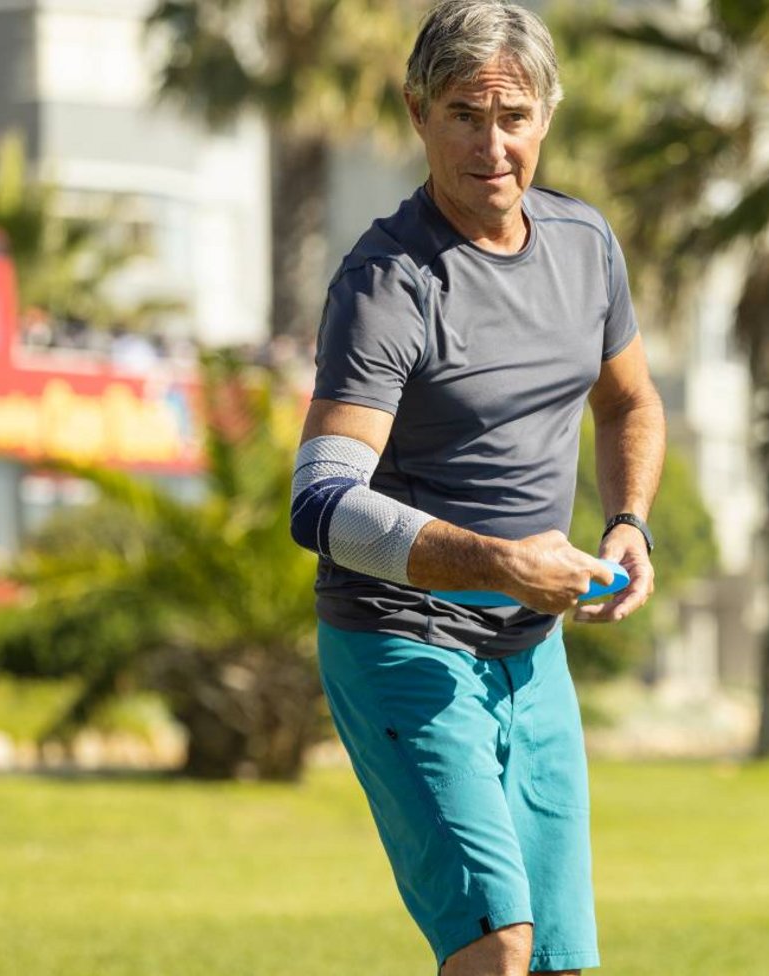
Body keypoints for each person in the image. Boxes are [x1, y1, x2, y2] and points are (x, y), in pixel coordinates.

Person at [288, 2, 665, 973]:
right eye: (463, 113)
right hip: (399, 644)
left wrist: (630, 523)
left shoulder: (586, 246)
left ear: (547, 114)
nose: (490, 145)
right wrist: (501, 561)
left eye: (513, 115)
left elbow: (629, 406)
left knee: (561, 965)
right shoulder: (386, 281)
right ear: (418, 113)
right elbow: (321, 503)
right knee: (497, 948)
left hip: (534, 654)